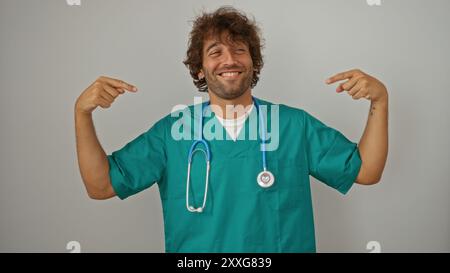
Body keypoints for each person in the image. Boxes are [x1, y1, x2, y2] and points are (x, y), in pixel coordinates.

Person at [74, 6, 388, 252]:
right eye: (216, 52)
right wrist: (82, 114)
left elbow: (366, 171)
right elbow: (101, 187)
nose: (230, 59)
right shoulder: (172, 133)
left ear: (254, 63)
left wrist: (380, 102)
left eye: (240, 50)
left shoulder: (293, 125)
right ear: (199, 67)